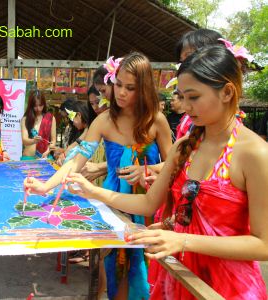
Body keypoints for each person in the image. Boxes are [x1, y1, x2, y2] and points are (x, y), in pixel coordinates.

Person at [66, 45, 268, 300]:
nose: (185, 106)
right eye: (182, 97)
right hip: (177, 278)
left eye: (193, 97)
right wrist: (93, 191)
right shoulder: (186, 146)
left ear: (227, 92)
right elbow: (149, 203)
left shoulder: (255, 154)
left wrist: (183, 241)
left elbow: (263, 244)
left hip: (227, 288)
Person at [25, 52, 172, 299]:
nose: (121, 93)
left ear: (145, 88)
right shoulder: (104, 120)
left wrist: (149, 170)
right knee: (115, 267)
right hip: (111, 203)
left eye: (131, 87)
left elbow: (172, 164)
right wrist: (45, 187)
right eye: (118, 85)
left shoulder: (157, 121)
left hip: (149, 204)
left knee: (146, 271)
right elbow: (76, 160)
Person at [21, 90, 56, 160]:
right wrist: (33, 141)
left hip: (45, 157)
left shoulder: (50, 118)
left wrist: (48, 151)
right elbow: (24, 140)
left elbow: (53, 140)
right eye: (35, 106)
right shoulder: (25, 119)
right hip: (28, 158)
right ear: (31, 105)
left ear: (44, 104)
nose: (38, 109)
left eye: (40, 105)